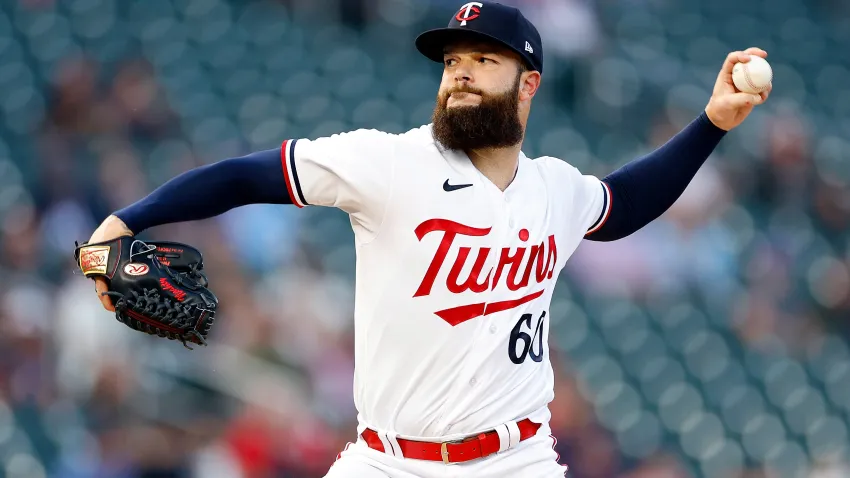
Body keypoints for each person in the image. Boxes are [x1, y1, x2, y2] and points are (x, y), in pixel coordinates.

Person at [83, 2, 771, 477]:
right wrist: (124, 224)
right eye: (452, 61)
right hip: (387, 459)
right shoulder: (388, 164)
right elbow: (242, 175)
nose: (461, 71)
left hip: (515, 459)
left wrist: (712, 121)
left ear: (528, 85)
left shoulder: (556, 188)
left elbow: (624, 204)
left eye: (483, 59)